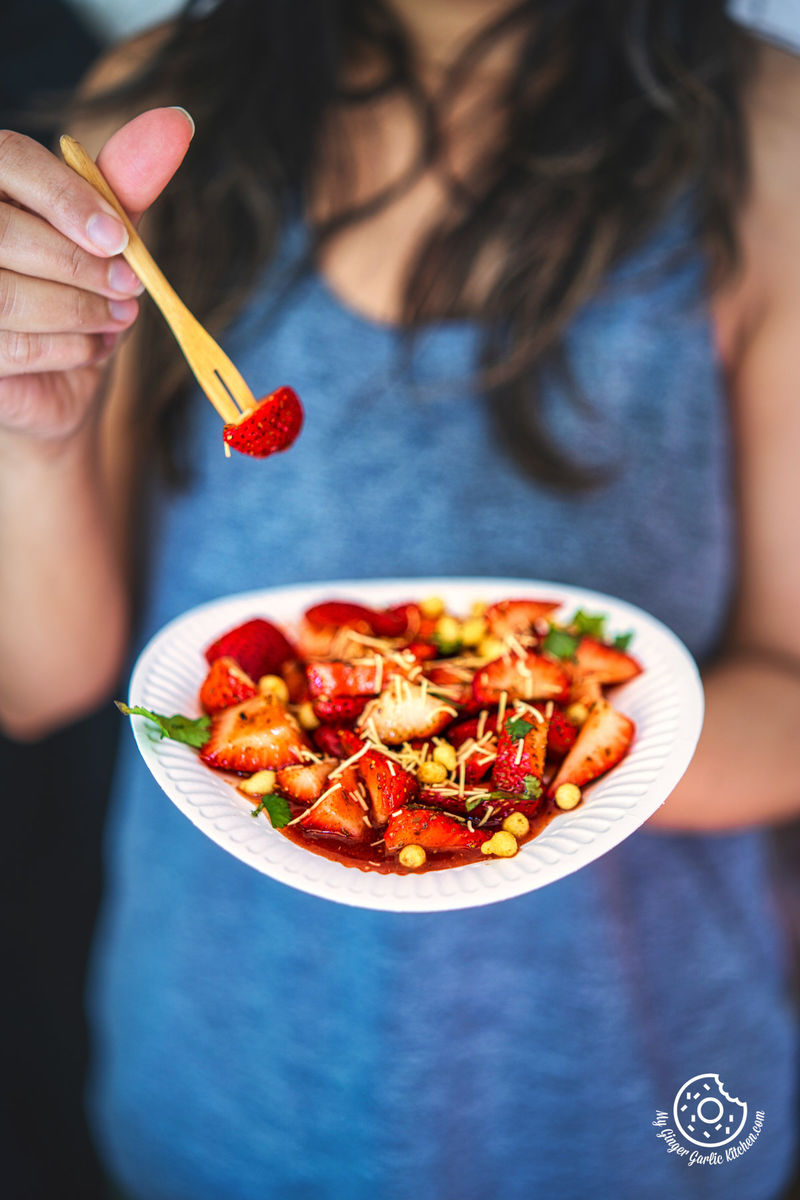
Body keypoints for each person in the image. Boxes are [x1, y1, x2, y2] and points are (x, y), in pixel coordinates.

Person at [0, 2, 798, 1197]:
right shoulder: (151, 116)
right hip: (218, 1088)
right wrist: (36, 437)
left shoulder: (764, 138)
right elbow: (40, 681)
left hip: (640, 1111)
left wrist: (504, 754)